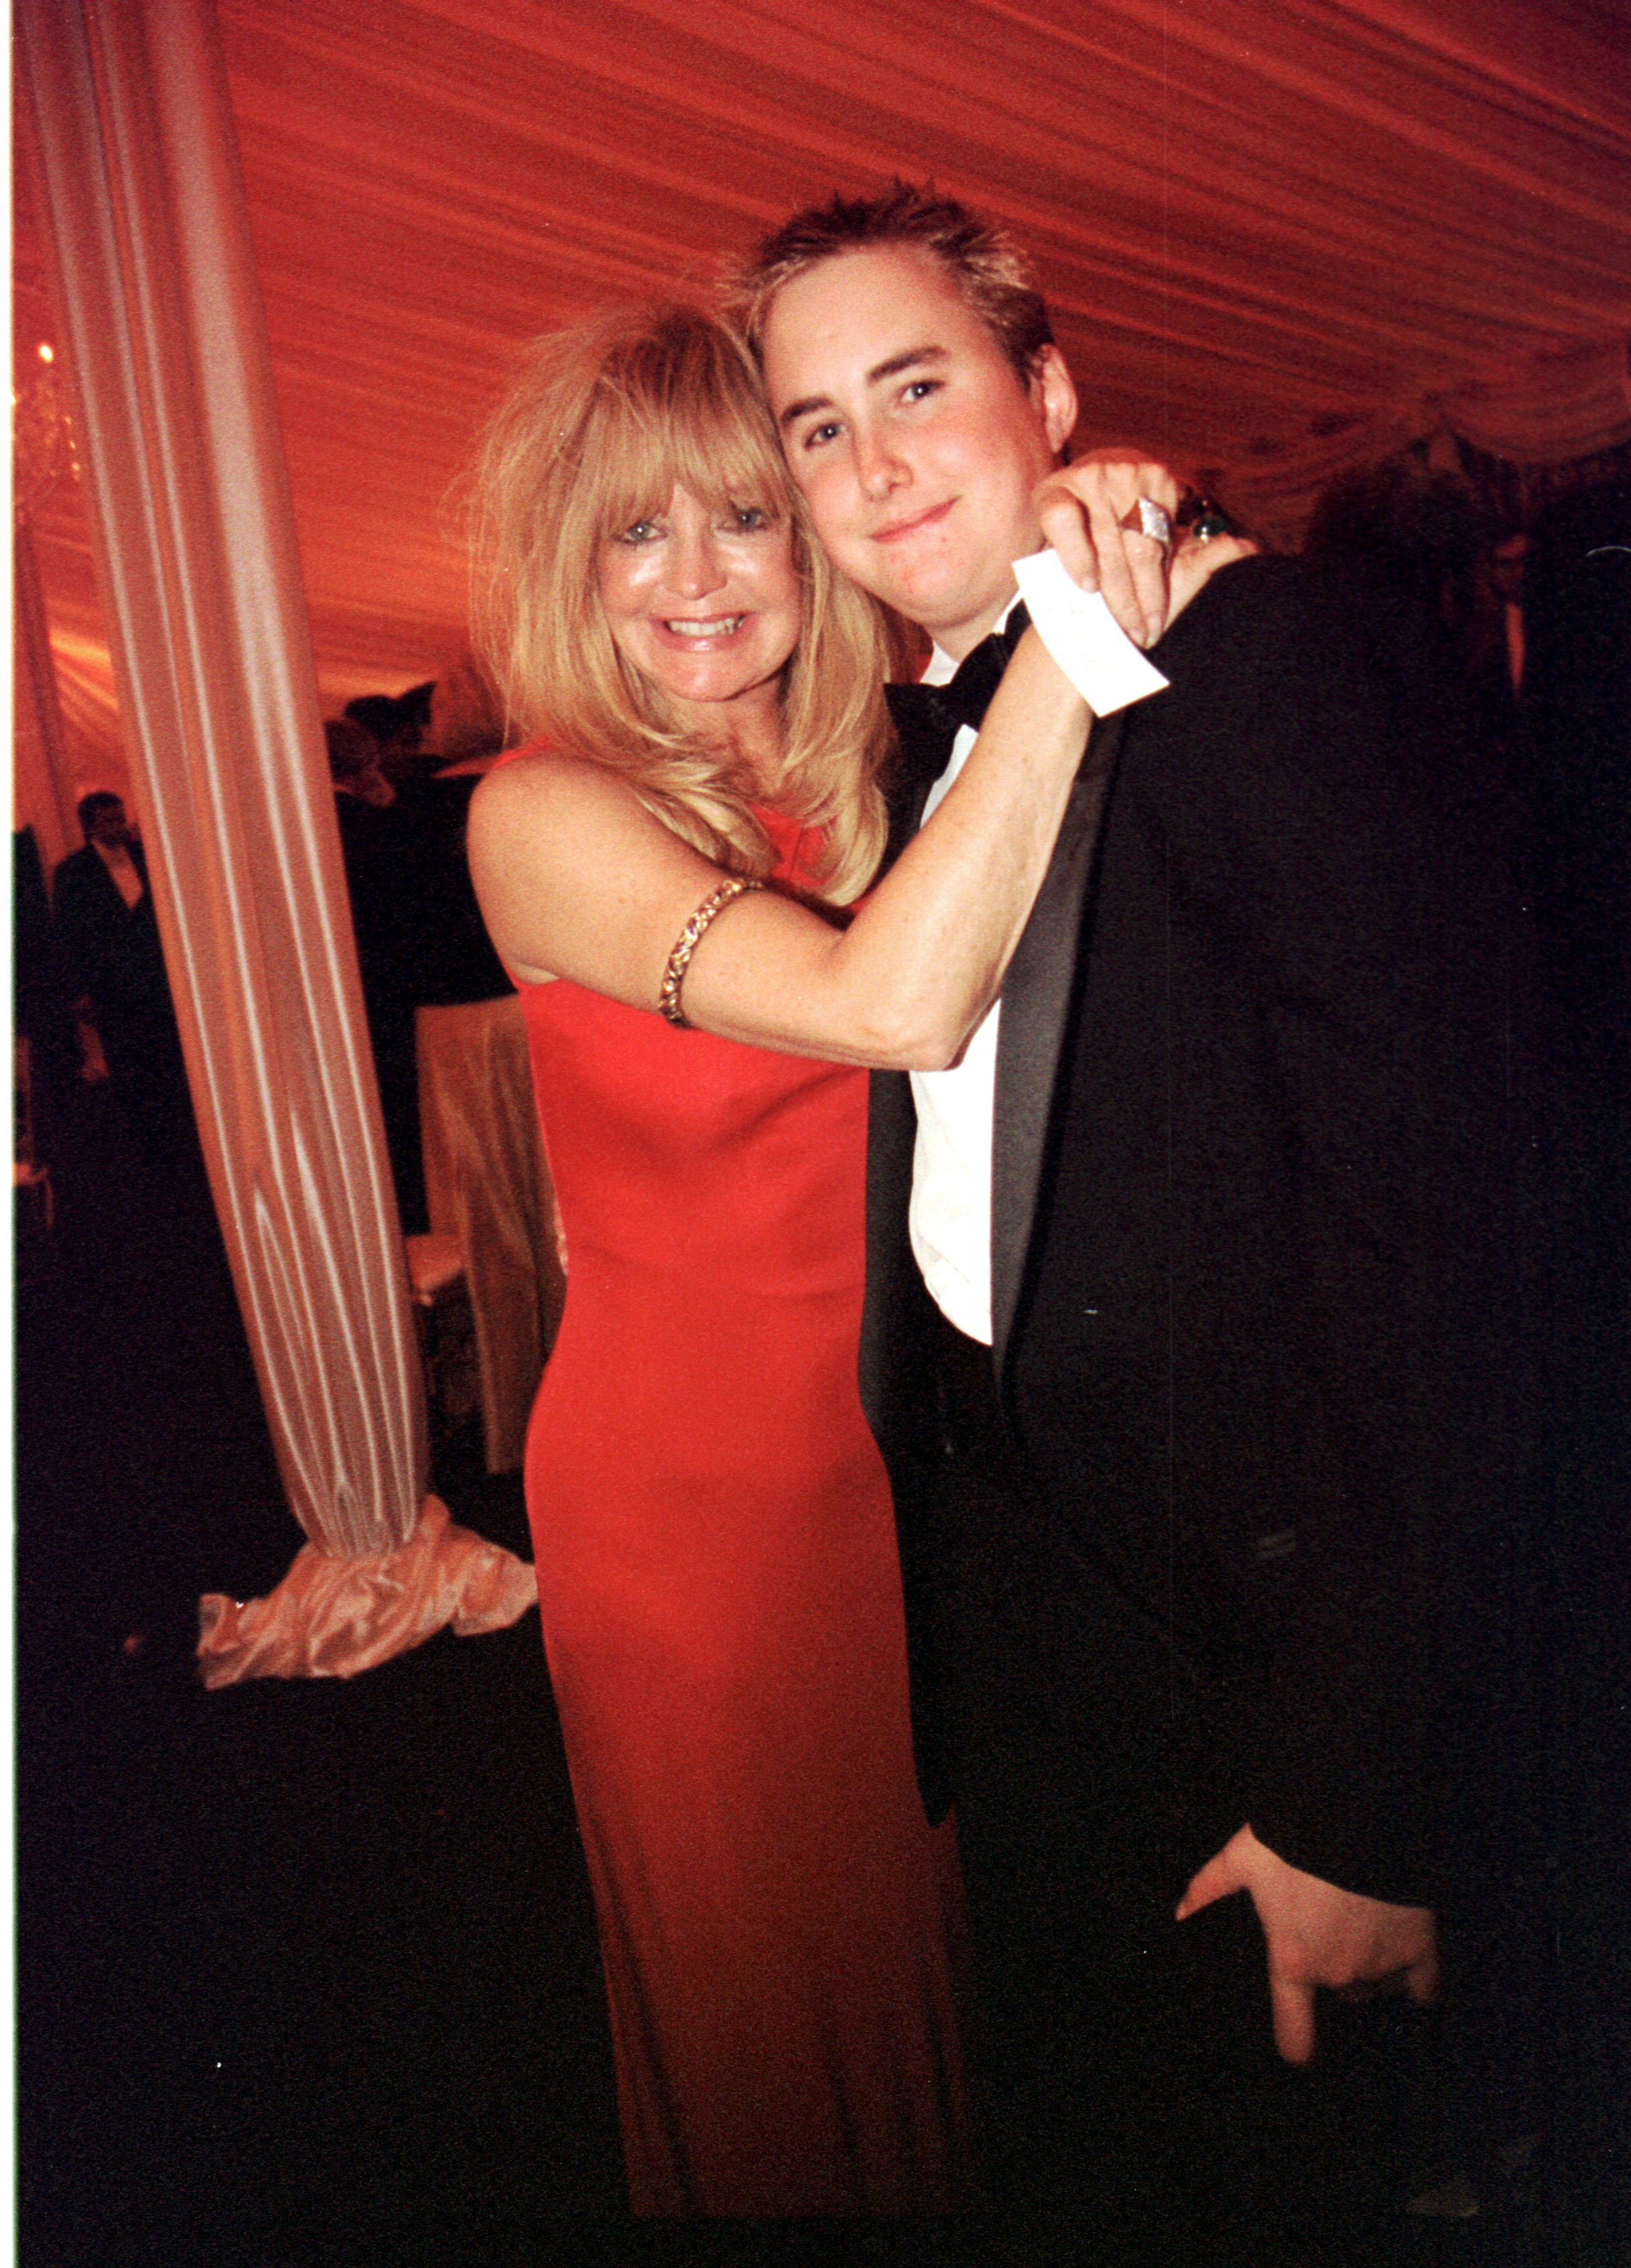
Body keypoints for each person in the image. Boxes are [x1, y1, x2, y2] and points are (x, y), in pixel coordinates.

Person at [732, 184, 1535, 2239]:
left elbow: (1455, 1242)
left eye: (915, 385)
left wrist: (1364, 1785)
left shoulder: (1249, 648)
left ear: (1051, 390)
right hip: (1037, 1654)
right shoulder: (889, 745)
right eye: (816, 425)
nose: (874, 460)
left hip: (1267, 1674)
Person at [464, 304, 1228, 2216]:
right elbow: (888, 1003)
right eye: (638, 534)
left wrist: (1060, 538)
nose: (701, 579)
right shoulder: (540, 809)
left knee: (934, 1990)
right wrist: (1076, 622)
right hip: (698, 1530)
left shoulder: (870, 768)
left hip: (900, 1484)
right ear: (575, 565)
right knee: (776, 2036)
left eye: (743, 514)